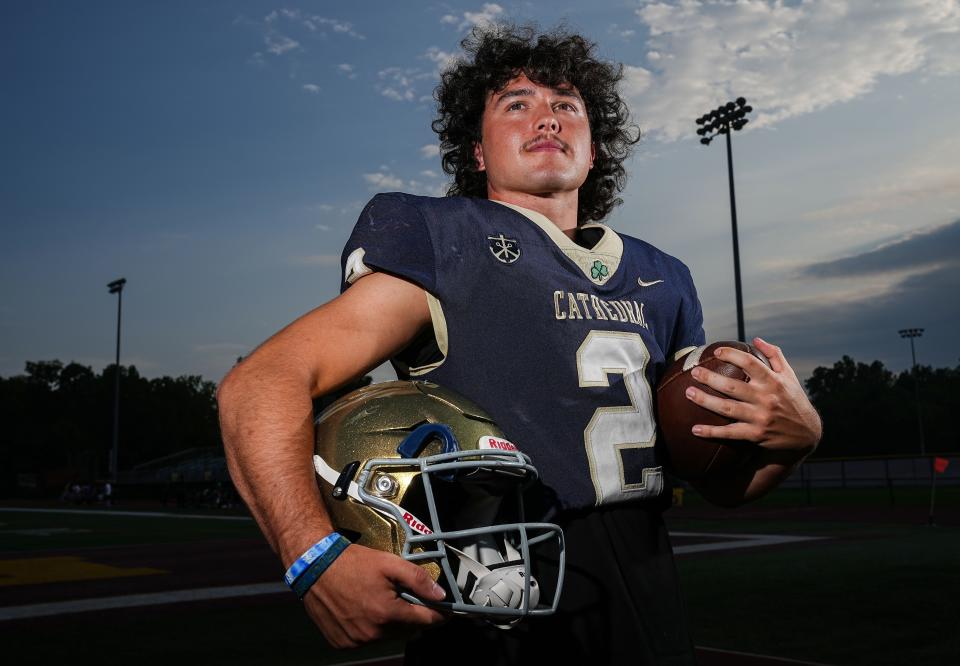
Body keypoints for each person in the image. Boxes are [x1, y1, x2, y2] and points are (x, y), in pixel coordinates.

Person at [217, 24, 822, 664]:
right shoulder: (443, 239)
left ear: (595, 151)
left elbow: (717, 481)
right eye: (517, 103)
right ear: (477, 151)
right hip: (495, 592)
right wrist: (313, 556)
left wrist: (797, 436)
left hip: (647, 590)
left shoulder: (664, 276)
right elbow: (259, 383)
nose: (547, 118)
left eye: (566, 104)